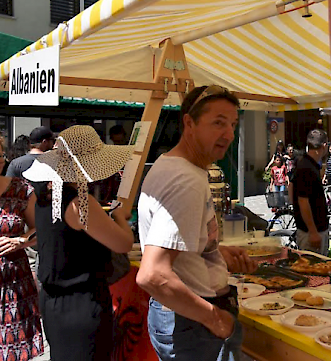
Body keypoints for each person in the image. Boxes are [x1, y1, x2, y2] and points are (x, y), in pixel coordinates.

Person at [136, 86, 256, 361]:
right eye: (218, 123)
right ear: (189, 123)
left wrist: (212, 250)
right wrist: (215, 320)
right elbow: (152, 274)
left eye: (233, 124)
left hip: (180, 317)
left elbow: (173, 249)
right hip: (193, 323)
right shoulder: (186, 180)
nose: (228, 134)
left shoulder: (170, 164)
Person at [22, 125, 135, 360]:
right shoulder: (79, 204)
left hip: (54, 303)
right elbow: (123, 243)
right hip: (82, 305)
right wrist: (119, 217)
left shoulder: (42, 197)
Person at [0, 166, 43, 359]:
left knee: (14, 348)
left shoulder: (21, 189)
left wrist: (21, 241)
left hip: (14, 282)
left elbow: (41, 228)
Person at [293, 130, 329, 255]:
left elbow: (291, 186)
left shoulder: (305, 163)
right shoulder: (307, 168)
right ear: (324, 146)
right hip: (312, 232)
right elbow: (303, 201)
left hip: (312, 229)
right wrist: (313, 231)